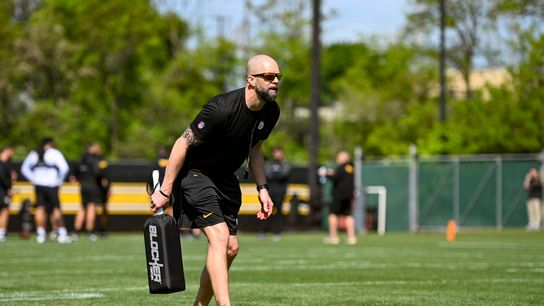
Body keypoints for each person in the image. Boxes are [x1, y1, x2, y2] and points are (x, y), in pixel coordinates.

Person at [151, 54, 281, 306]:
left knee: (230, 248)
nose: (275, 81)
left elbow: (255, 149)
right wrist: (165, 189)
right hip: (196, 175)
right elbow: (182, 142)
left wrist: (262, 188)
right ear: (251, 80)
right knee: (219, 237)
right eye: (268, 76)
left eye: (278, 76)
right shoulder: (221, 108)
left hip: (226, 179)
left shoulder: (271, 112)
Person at [21, 137, 72, 244]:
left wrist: (34, 179)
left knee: (40, 208)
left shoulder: (34, 153)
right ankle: (62, 233)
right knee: (56, 209)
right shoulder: (54, 153)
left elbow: (24, 169)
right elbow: (64, 168)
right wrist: (59, 180)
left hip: (39, 185)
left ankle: (41, 234)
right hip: (51, 185)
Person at [71, 142, 109, 241]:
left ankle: (76, 231)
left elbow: (74, 174)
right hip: (93, 185)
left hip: (83, 185)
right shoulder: (96, 159)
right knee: (92, 207)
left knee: (83, 207)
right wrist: (103, 180)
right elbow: (98, 173)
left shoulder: (81, 158)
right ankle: (90, 231)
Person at [324, 151, 357, 245]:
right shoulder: (351, 167)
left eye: (339, 157)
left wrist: (328, 174)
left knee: (333, 214)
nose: (337, 159)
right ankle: (351, 237)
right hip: (348, 196)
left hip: (338, 196)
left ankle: (333, 237)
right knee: (348, 215)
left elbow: (335, 177)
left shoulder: (341, 167)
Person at [258, 147, 291, 241]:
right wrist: (276, 175)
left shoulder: (285, 164)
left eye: (279, 153)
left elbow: (284, 175)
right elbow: (267, 175)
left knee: (279, 212)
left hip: (280, 192)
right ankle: (262, 231)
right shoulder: (269, 164)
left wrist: (275, 175)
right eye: (275, 153)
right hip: (270, 191)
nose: (277, 155)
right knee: (266, 210)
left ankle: (277, 232)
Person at [0, 146, 16, 241]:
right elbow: (2, 177)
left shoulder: (7, 164)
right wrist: (8, 189)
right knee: (4, 210)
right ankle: (1, 232)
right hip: (2, 191)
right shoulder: (3, 164)